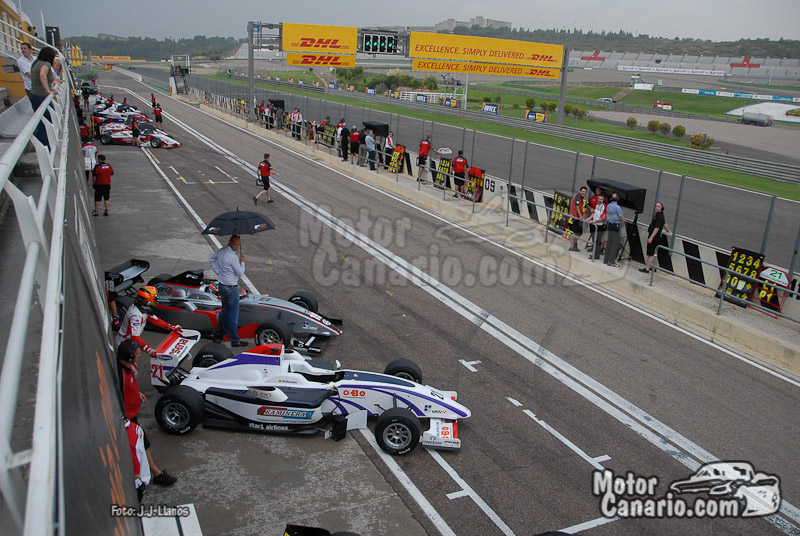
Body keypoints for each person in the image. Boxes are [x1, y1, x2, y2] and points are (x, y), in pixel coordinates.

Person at [116, 339, 178, 490]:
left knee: (143, 443)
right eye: (137, 354)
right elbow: (117, 395)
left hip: (130, 415)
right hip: (127, 418)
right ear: (130, 357)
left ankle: (154, 473)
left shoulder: (125, 369)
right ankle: (153, 475)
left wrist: (136, 393)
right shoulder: (120, 375)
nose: (139, 356)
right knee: (140, 445)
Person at [115, 286, 181, 355]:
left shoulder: (142, 308)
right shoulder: (136, 315)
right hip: (124, 344)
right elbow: (135, 337)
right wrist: (148, 349)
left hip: (129, 343)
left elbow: (154, 319)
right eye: (153, 299)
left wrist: (171, 327)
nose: (154, 301)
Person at [209, 236, 247, 347]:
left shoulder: (221, 251)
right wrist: (243, 262)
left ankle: (224, 333)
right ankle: (235, 340)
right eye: (235, 244)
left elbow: (211, 259)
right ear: (230, 243)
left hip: (222, 286)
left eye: (238, 245)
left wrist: (218, 272)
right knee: (233, 315)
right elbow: (239, 272)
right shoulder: (233, 257)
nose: (237, 247)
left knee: (225, 311)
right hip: (231, 288)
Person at [29, 46, 59, 148]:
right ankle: (46, 145)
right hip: (41, 96)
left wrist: (51, 88)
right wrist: (48, 90)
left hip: (34, 94)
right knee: (48, 121)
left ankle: (43, 143)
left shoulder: (36, 63)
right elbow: (42, 75)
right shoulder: (45, 64)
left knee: (41, 121)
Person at [640, 202, 670, 273]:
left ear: (661, 208)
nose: (656, 207)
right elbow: (664, 223)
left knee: (651, 253)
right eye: (656, 206)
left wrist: (651, 237)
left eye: (658, 206)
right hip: (654, 236)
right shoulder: (659, 215)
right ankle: (652, 266)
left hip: (654, 236)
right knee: (652, 252)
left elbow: (657, 228)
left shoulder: (660, 216)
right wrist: (668, 230)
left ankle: (647, 268)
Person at [603, 193, 626, 267]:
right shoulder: (617, 207)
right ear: (618, 199)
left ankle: (606, 259)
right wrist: (619, 218)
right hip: (615, 226)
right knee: (615, 244)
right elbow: (622, 218)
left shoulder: (609, 205)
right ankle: (611, 261)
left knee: (609, 243)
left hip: (609, 225)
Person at [568, 186, 590, 252]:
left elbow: (586, 209)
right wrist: (580, 216)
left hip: (579, 219)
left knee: (579, 233)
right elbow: (577, 207)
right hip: (574, 217)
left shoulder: (583, 200)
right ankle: (571, 246)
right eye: (583, 191)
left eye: (585, 192)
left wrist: (584, 217)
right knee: (574, 233)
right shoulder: (577, 197)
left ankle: (574, 244)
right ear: (580, 191)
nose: (584, 193)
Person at [589, 194, 607, 261]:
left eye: (601, 199)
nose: (600, 200)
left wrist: (594, 221)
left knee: (597, 241)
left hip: (599, 226)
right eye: (599, 199)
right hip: (594, 225)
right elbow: (594, 213)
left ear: (603, 200)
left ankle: (596, 255)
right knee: (594, 240)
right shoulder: (597, 205)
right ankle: (594, 253)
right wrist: (589, 218)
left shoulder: (604, 207)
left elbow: (603, 218)